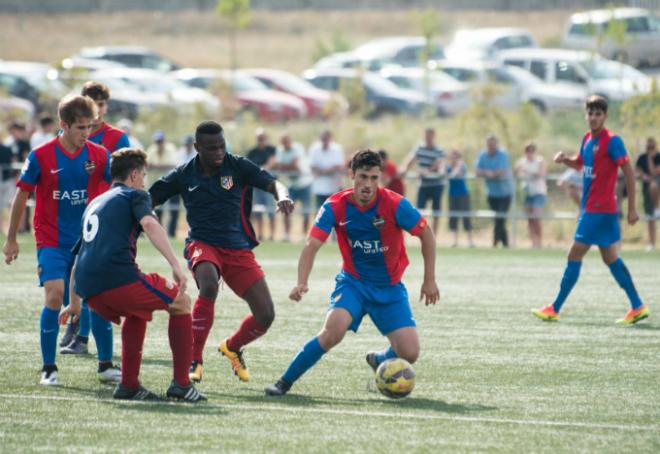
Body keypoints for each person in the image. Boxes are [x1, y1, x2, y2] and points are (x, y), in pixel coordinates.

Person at [264, 149, 439, 396]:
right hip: (353, 284)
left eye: (374, 178)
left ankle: (380, 359)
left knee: (410, 353)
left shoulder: (395, 204)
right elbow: (311, 245)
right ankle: (284, 382)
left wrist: (429, 280)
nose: (368, 184)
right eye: (363, 176)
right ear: (351, 175)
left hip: (389, 288)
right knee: (332, 332)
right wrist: (301, 282)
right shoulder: (335, 206)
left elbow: (426, 234)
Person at [149, 121, 293, 384]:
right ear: (197, 147)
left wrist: (281, 196)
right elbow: (150, 198)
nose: (218, 152)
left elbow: (272, 183)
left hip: (237, 248)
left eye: (221, 146)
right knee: (208, 285)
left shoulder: (237, 165)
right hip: (202, 243)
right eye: (211, 148)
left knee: (266, 315)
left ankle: (232, 347)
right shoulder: (184, 173)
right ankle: (195, 360)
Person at [59, 148, 206, 402]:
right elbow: (150, 224)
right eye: (144, 175)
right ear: (135, 174)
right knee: (181, 302)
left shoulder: (95, 203)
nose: (144, 181)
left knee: (137, 312)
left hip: (89, 291)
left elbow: (76, 260)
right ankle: (182, 385)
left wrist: (74, 303)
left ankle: (129, 386)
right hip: (117, 280)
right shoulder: (135, 195)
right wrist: (175, 265)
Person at [1, 95, 120, 385]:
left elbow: (118, 187)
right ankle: (49, 367)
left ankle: (105, 364)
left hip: (89, 241)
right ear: (63, 125)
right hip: (51, 239)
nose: (86, 133)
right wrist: (12, 238)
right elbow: (21, 195)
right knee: (54, 294)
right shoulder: (41, 155)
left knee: (98, 299)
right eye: (81, 127)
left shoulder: (99, 155)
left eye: (90, 127)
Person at [532, 96, 649, 325]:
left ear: (605, 116)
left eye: (598, 114)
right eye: (590, 113)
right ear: (586, 115)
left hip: (600, 209)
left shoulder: (613, 141)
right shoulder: (587, 138)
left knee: (574, 253)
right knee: (610, 258)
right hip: (595, 209)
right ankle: (637, 305)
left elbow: (629, 173)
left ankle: (554, 308)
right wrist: (565, 159)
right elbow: (582, 163)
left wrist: (632, 208)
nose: (594, 118)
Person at [59, 81, 133, 355]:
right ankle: (75, 324)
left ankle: (84, 335)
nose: (97, 110)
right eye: (92, 104)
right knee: (71, 276)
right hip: (71, 215)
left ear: (106, 106)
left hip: (103, 217)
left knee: (89, 277)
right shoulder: (69, 132)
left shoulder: (117, 138)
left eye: (101, 105)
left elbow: (126, 177)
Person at [403, 128, 446, 234]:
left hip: (437, 185)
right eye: (427, 136)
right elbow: (411, 159)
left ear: (433, 136)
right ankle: (421, 234)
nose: (428, 138)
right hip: (423, 184)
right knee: (420, 212)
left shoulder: (439, 150)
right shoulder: (419, 148)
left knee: (436, 212)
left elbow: (440, 164)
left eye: (430, 136)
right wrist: (404, 169)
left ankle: (434, 236)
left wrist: (430, 171)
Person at [475, 134, 513, 247]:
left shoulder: (503, 154)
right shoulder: (482, 155)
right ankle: (505, 244)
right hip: (492, 193)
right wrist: (487, 173)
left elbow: (502, 170)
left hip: (505, 193)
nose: (491, 146)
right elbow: (477, 171)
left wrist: (492, 174)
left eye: (493, 144)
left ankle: (495, 242)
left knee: (500, 218)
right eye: (489, 144)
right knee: (498, 219)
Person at [274, 133, 312, 240]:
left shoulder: (298, 147)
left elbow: (295, 165)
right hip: (291, 185)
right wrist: (288, 166)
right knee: (286, 208)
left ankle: (305, 235)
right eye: (283, 143)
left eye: (287, 142)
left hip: (305, 183)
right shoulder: (280, 150)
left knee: (306, 211)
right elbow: (280, 167)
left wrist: (286, 166)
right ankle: (286, 235)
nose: (285, 145)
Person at [514, 142, 547, 248]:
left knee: (536, 217)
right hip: (527, 193)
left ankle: (540, 242)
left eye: (532, 150)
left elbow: (541, 174)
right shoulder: (521, 162)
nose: (530, 153)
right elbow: (514, 172)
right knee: (529, 219)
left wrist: (526, 170)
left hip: (539, 192)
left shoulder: (540, 161)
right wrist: (518, 169)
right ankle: (534, 243)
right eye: (528, 151)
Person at [246, 129, 277, 241]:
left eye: (263, 138)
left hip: (269, 186)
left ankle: (272, 235)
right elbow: (248, 165)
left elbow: (272, 162)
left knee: (271, 211)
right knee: (257, 211)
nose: (261, 141)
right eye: (259, 138)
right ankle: (259, 234)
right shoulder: (252, 152)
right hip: (257, 186)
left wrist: (261, 169)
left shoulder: (271, 149)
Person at [146, 131, 178, 237]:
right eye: (157, 141)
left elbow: (173, 165)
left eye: (160, 141)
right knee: (158, 210)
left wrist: (158, 166)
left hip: (171, 184)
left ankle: (172, 233)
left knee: (173, 209)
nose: (159, 143)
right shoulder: (151, 149)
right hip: (157, 184)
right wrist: (158, 166)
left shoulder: (171, 149)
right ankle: (158, 233)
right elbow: (147, 164)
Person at [308, 129, 345, 209]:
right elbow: (312, 166)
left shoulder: (337, 148)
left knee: (334, 212)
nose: (325, 141)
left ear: (330, 138)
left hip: (333, 187)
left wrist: (322, 171)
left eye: (326, 138)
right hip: (319, 187)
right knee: (319, 211)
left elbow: (339, 167)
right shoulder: (314, 148)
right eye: (323, 138)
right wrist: (328, 170)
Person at [635, 137, 660, 251]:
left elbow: (654, 172)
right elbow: (637, 171)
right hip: (647, 191)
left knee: (654, 185)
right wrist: (643, 176)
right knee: (650, 218)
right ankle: (652, 244)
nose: (650, 149)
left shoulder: (658, 156)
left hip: (657, 188)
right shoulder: (641, 158)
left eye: (652, 147)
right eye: (648, 147)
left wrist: (650, 158)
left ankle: (657, 207)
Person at [446, 150, 474, 248]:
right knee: (453, 217)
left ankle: (470, 241)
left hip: (463, 194)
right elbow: (447, 174)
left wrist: (458, 164)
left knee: (466, 216)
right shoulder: (448, 167)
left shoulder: (462, 166)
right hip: (452, 194)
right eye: (452, 157)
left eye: (455, 157)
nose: (453, 159)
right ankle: (454, 240)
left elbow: (456, 174)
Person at [0, 141, 13, 234]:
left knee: (10, 204)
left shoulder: (7, 148)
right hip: (8, 179)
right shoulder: (8, 148)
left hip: (7, 180)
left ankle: (8, 228)